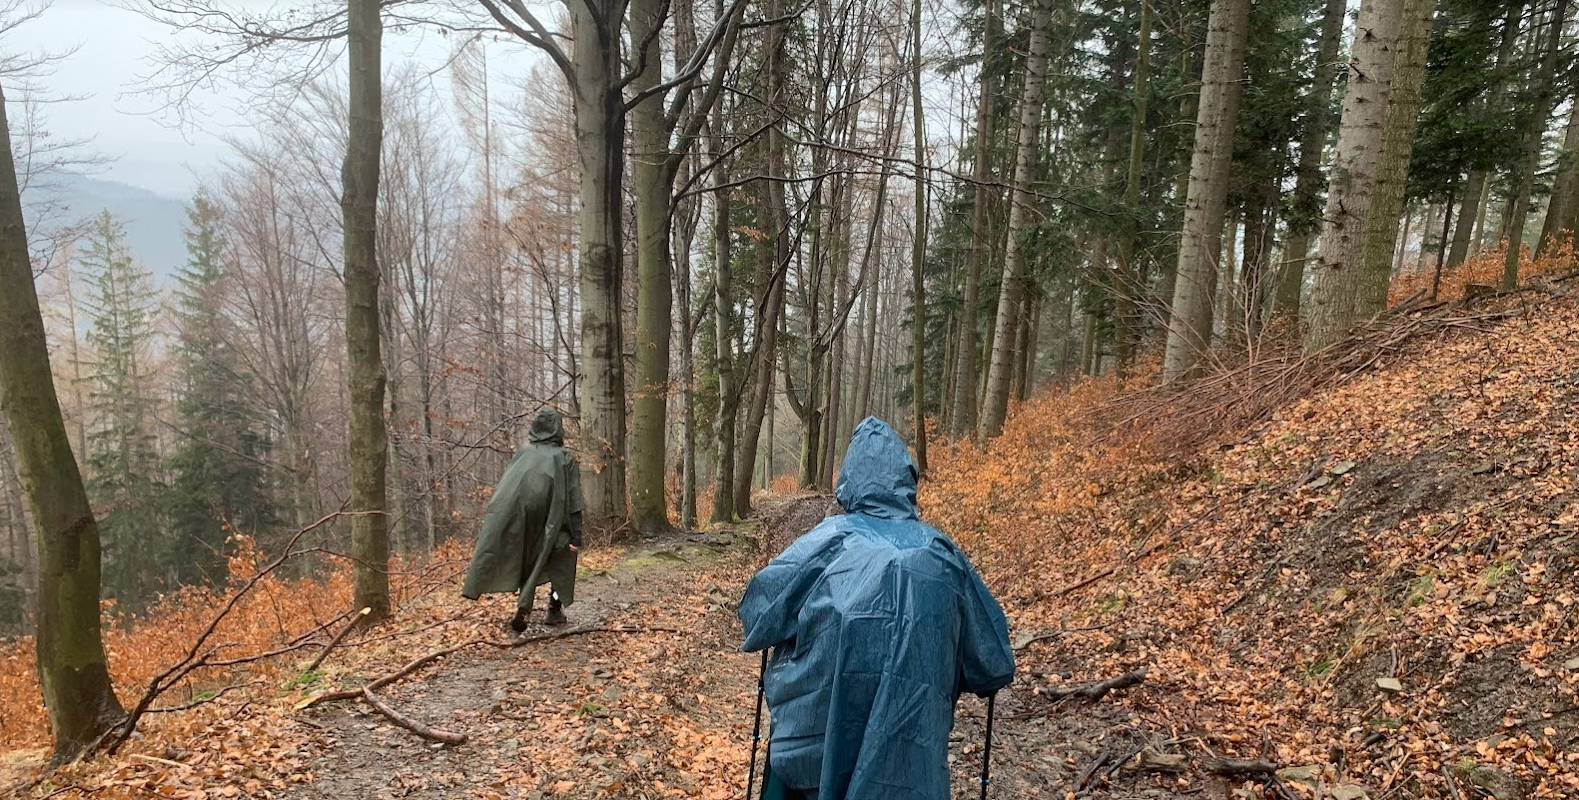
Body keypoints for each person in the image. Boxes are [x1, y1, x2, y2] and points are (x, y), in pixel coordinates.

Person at [739, 416, 1016, 800]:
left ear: (848, 482)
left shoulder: (823, 541)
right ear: (907, 481)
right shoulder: (944, 557)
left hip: (811, 762)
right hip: (911, 771)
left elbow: (756, 614)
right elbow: (994, 664)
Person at [462, 407, 585, 631]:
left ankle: (524, 606)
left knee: (526, 556)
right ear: (558, 429)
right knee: (561, 561)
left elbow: (508, 488)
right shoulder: (564, 458)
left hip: (518, 515)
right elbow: (574, 499)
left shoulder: (523, 452)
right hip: (551, 518)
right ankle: (554, 610)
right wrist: (576, 535)